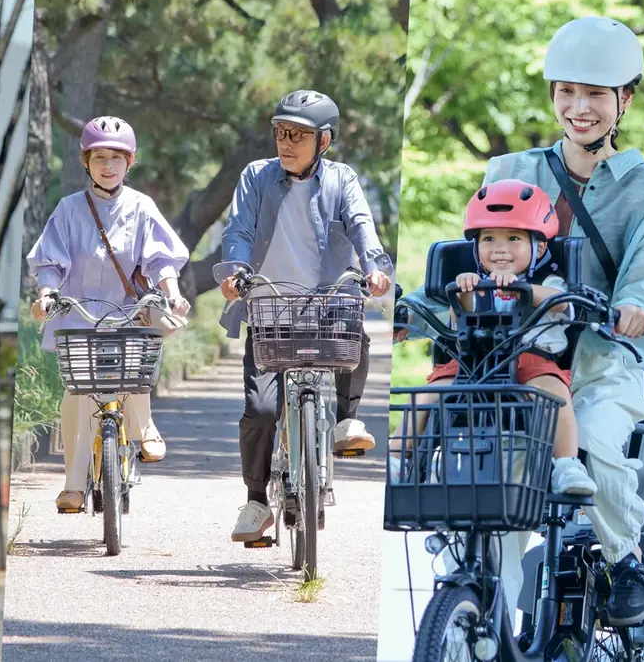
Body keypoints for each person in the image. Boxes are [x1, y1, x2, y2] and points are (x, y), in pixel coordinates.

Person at [394, 16, 644, 628]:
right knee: (494, 487)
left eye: (595, 95)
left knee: (602, 445)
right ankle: (479, 611)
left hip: (597, 360)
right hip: (509, 357)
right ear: (553, 95)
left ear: (623, 101)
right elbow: (475, 262)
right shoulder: (510, 169)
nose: (579, 108)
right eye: (566, 92)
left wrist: (639, 311)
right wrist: (412, 316)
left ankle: (625, 557)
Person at [218, 90, 394, 543]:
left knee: (357, 340)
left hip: (327, 305)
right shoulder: (256, 177)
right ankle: (257, 501)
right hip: (270, 306)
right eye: (281, 132)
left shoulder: (343, 180)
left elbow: (361, 226)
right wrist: (235, 271)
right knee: (260, 411)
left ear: (324, 141)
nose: (286, 142)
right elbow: (237, 229)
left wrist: (374, 266)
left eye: (298, 134)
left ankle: (345, 420)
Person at [391, 179, 597, 497]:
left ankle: (567, 465)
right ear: (475, 246)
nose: (500, 248)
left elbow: (564, 303)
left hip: (531, 361)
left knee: (555, 394)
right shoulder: (477, 280)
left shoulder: (549, 280)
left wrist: (522, 288)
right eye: (488, 238)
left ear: (540, 246)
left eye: (514, 238)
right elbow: (460, 323)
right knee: (425, 395)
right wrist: (466, 292)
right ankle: (397, 458)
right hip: (470, 361)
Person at [29, 116, 191, 511]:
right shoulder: (69, 209)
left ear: (130, 162)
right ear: (85, 161)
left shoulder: (141, 207)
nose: (108, 165)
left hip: (127, 313)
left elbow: (160, 259)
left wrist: (172, 294)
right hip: (80, 313)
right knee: (77, 396)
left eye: (117, 158)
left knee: (134, 371)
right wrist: (47, 295)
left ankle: (143, 427)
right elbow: (50, 263)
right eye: (99, 157)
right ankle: (72, 485)